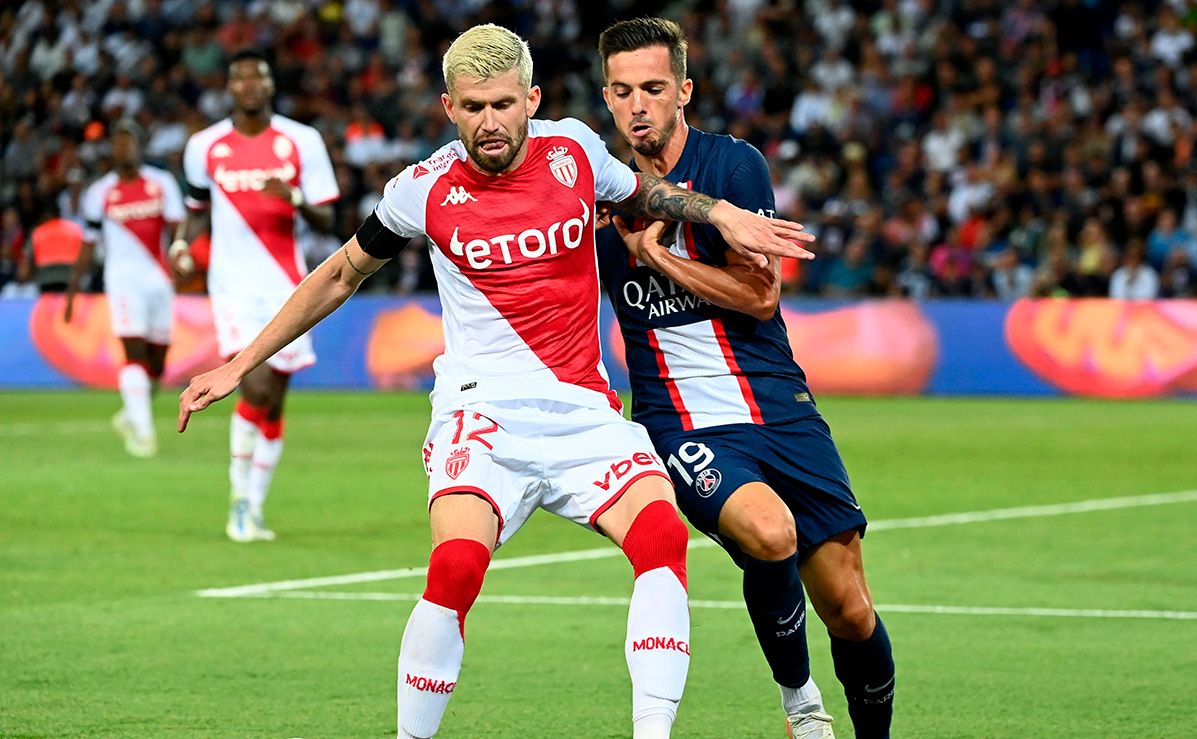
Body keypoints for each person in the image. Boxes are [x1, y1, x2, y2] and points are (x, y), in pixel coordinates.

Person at [176, 24, 813, 739]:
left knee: (662, 535)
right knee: (454, 569)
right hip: (482, 418)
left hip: (583, 415)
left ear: (531, 100)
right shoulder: (421, 189)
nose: (489, 123)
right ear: (449, 106)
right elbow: (339, 273)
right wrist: (239, 363)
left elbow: (648, 197)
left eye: (504, 104)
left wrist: (721, 211)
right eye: (473, 107)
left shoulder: (573, 150)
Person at [594, 18, 894, 739]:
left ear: (684, 91)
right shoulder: (594, 194)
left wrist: (659, 259)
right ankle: (802, 706)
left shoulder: (732, 167)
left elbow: (761, 296)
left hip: (778, 404)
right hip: (682, 420)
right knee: (768, 530)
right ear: (607, 97)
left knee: (850, 606)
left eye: (655, 89)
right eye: (624, 91)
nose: (639, 105)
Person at [173, 48, 340, 542]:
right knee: (257, 387)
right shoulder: (204, 146)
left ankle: (255, 507)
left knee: (275, 402)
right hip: (232, 286)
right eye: (238, 77)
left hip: (290, 285)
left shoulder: (302, 141)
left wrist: (291, 198)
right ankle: (239, 502)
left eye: (257, 77)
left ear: (270, 85)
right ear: (229, 87)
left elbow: (328, 220)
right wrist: (182, 242)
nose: (248, 85)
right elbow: (197, 208)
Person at [66, 119, 185, 458]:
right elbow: (88, 244)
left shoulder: (162, 184)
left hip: (159, 280)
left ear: (138, 146)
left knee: (158, 365)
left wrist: (180, 251)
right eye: (116, 144)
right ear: (111, 152)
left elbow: (179, 226)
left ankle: (131, 413)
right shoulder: (99, 193)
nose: (122, 149)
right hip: (122, 281)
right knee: (133, 354)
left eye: (128, 142)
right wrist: (72, 293)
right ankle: (144, 434)